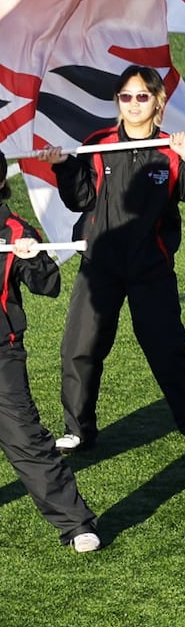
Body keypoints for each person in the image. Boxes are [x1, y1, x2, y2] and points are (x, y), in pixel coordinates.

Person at [41, 66, 185, 458]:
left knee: (167, 349)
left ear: (157, 101)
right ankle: (78, 430)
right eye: (126, 96)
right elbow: (81, 200)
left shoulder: (172, 151)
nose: (134, 103)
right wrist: (63, 166)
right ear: (117, 102)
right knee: (79, 347)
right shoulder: (98, 143)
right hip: (99, 267)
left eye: (142, 96)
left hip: (150, 268)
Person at [0, 155, 101, 551]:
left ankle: (76, 524)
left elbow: (49, 285)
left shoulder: (14, 230)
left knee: (25, 440)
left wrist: (33, 256)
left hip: (1, 356)